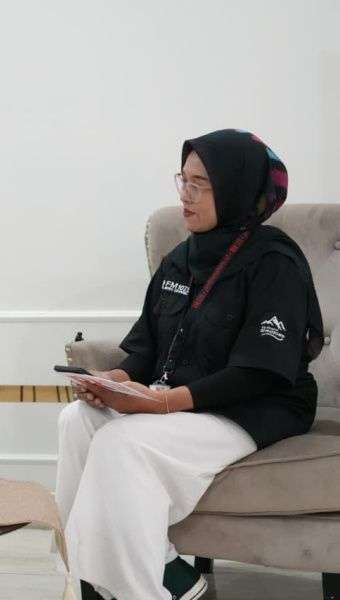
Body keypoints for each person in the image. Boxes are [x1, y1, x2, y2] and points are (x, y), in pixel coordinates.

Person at [55, 129, 323, 600]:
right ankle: (98, 579)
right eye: (184, 179)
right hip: (180, 401)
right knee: (77, 419)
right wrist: (115, 380)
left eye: (201, 184)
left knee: (122, 442)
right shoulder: (180, 259)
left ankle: (144, 590)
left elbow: (259, 371)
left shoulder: (274, 262)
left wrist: (161, 404)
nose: (185, 195)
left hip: (252, 407)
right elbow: (145, 348)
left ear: (237, 190)